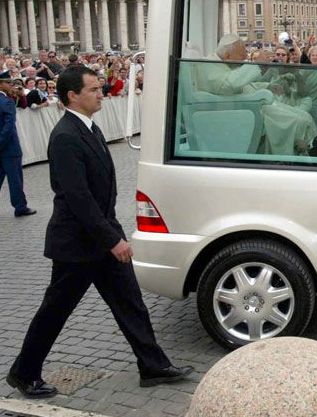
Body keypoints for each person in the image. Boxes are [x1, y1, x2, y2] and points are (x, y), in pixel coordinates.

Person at [6, 67, 193, 399]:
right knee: (55, 311)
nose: (101, 93)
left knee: (131, 303)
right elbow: (78, 198)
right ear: (72, 96)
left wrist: (111, 234)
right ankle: (24, 373)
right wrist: (113, 240)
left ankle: (153, 366)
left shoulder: (89, 128)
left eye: (100, 87)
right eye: (93, 89)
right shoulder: (65, 136)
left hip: (102, 237)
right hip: (77, 245)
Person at [0, 71, 36, 218]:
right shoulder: (6, 101)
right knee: (15, 179)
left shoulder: (8, 99)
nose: (11, 85)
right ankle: (20, 207)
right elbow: (9, 126)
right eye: (8, 82)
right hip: (9, 147)